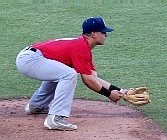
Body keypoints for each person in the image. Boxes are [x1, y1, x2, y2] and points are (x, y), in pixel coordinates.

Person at [16, 17, 128, 131]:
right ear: (94, 34)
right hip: (30, 59)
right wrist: (109, 94)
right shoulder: (81, 47)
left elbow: (93, 77)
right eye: (103, 32)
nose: (106, 35)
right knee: (69, 74)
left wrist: (121, 91)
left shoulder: (82, 46)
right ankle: (55, 118)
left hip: (30, 58)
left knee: (63, 72)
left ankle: (36, 106)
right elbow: (88, 80)